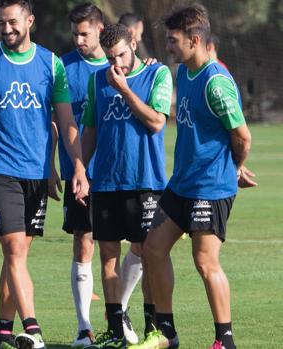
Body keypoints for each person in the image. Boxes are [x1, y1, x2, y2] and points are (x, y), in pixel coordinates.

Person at [0, 1, 90, 348]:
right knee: (14, 249)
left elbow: (65, 121)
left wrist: (74, 166)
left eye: (13, 22)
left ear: (30, 20)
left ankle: (3, 331)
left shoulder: (51, 64)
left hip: (35, 172)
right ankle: (33, 330)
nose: (6, 29)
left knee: (15, 257)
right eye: (1, 23)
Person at [134, 6, 256, 349]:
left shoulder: (215, 82)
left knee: (204, 261)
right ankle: (168, 334)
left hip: (210, 188)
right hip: (181, 184)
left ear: (195, 40)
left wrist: (233, 167)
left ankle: (225, 341)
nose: (169, 47)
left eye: (173, 41)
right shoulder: (184, 74)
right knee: (152, 249)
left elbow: (242, 135)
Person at [80, 23, 173, 349]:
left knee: (148, 254)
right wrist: (80, 167)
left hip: (145, 181)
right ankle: (116, 329)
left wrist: (124, 89)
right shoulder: (96, 81)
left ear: (133, 43)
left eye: (120, 54)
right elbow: (89, 129)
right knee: (107, 256)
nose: (115, 63)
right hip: (106, 181)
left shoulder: (157, 75)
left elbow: (157, 122)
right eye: (109, 58)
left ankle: (151, 329)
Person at [50, 3, 109, 348]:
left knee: (132, 247)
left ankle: (119, 317)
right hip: (79, 174)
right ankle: (84, 327)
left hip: (119, 173)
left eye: (84, 33)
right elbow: (55, 122)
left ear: (100, 30)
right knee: (84, 242)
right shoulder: (62, 68)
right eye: (74, 34)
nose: (78, 40)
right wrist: (52, 167)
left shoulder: (121, 66)